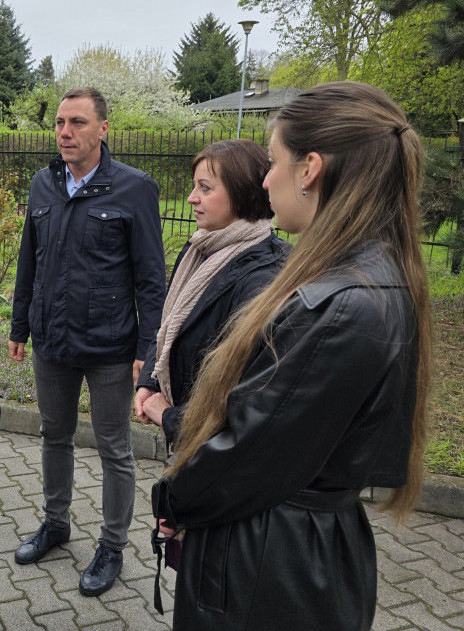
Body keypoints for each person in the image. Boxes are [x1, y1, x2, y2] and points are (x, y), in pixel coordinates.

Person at [151, 82, 432, 630]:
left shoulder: (344, 306)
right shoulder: (362, 278)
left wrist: (174, 500)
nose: (264, 178)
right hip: (284, 546)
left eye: (273, 161)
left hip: (268, 563)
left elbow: (245, 454)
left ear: (310, 169)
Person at [9, 86, 167, 596]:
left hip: (110, 347)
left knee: (113, 448)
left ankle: (112, 545)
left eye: (77, 122)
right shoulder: (43, 184)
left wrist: (149, 351)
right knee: (53, 435)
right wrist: (18, 325)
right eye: (59, 123)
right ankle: (56, 525)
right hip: (52, 341)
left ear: (103, 130)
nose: (65, 132)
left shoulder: (133, 188)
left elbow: (150, 278)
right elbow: (27, 262)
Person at [134, 139, 288, 447]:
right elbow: (170, 323)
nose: (191, 198)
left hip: (211, 452)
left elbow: (243, 395)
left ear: (242, 193)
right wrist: (150, 382)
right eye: (195, 187)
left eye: (205, 188)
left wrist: (169, 418)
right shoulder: (199, 249)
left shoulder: (264, 278)